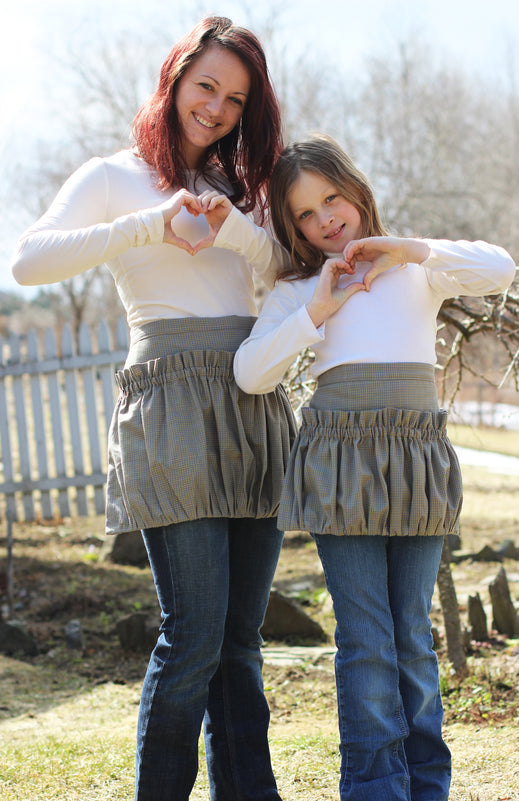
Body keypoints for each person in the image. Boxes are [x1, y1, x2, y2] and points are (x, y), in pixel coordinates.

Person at [11, 17, 297, 801]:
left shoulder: (249, 187)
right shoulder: (114, 175)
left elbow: (285, 269)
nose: (216, 107)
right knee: (194, 634)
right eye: (206, 85)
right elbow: (29, 259)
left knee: (241, 640)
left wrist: (235, 231)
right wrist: (151, 222)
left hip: (249, 397)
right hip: (169, 403)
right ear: (174, 79)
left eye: (235, 99)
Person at [233, 134, 516, 801]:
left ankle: (425, 784)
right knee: (365, 638)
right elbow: (250, 373)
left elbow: (499, 268)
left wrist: (411, 249)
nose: (325, 219)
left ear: (356, 191)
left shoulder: (417, 269)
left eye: (332, 199)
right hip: (340, 464)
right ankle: (372, 785)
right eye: (305, 213)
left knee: (412, 635)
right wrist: (316, 310)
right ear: (291, 226)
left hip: (413, 458)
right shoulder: (299, 287)